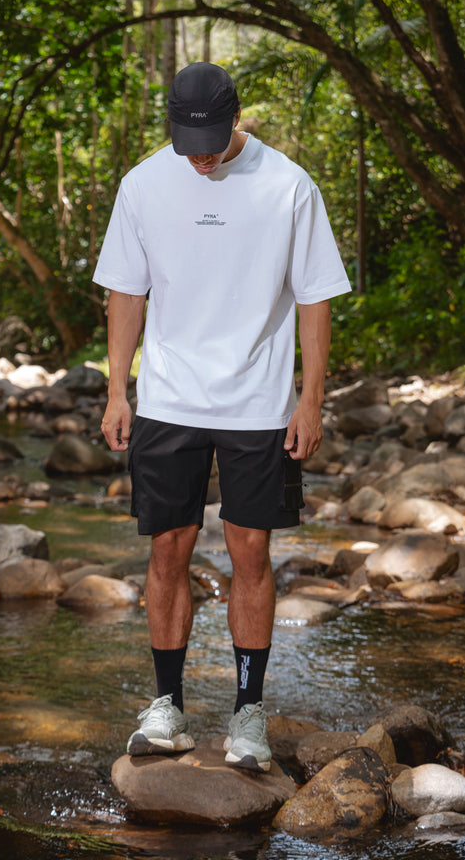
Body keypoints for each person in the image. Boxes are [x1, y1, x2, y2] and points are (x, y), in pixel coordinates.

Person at [95, 61, 351, 772]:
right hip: (169, 400)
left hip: (258, 403)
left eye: (210, 139)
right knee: (167, 550)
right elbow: (124, 291)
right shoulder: (143, 185)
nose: (200, 156)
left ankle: (246, 714)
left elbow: (315, 296)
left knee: (249, 555)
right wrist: (119, 389)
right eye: (187, 141)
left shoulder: (288, 185)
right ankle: (167, 707)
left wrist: (311, 398)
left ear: (235, 118)